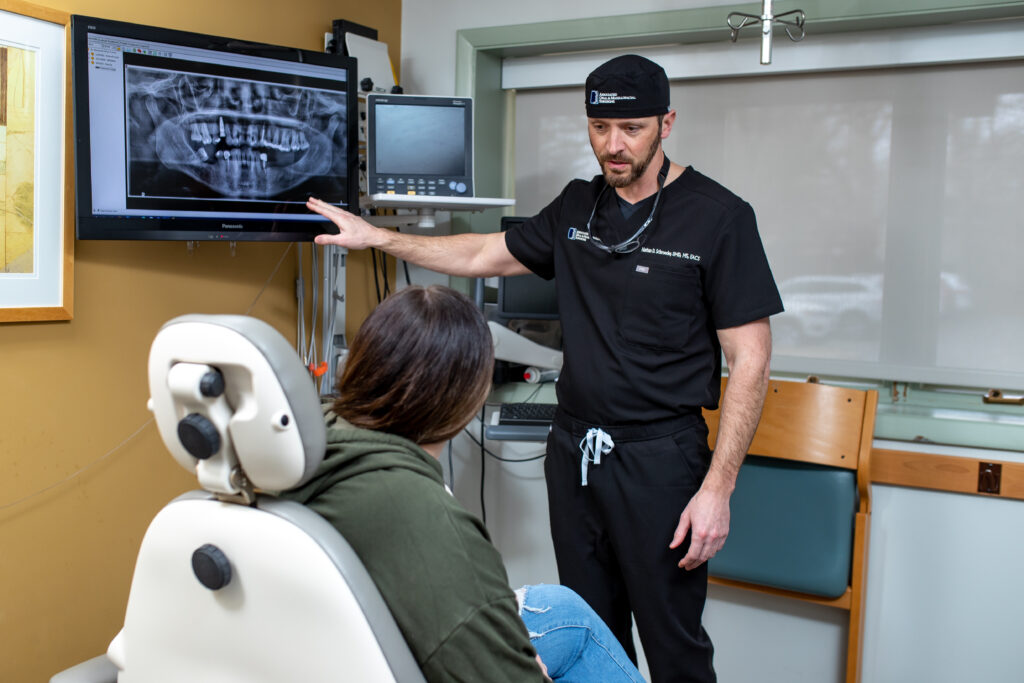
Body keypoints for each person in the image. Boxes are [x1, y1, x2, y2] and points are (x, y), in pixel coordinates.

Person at [306, 54, 783, 682]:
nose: (613, 146)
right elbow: (482, 251)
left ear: (666, 124)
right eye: (599, 128)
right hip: (575, 450)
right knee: (591, 630)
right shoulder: (578, 207)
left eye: (632, 129)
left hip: (663, 461)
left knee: (675, 645)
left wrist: (716, 491)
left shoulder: (720, 218)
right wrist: (379, 238)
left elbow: (752, 360)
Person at [281, 285, 645, 683]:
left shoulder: (301, 451)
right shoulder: (428, 519)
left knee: (565, 611)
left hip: (324, 653)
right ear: (467, 399)